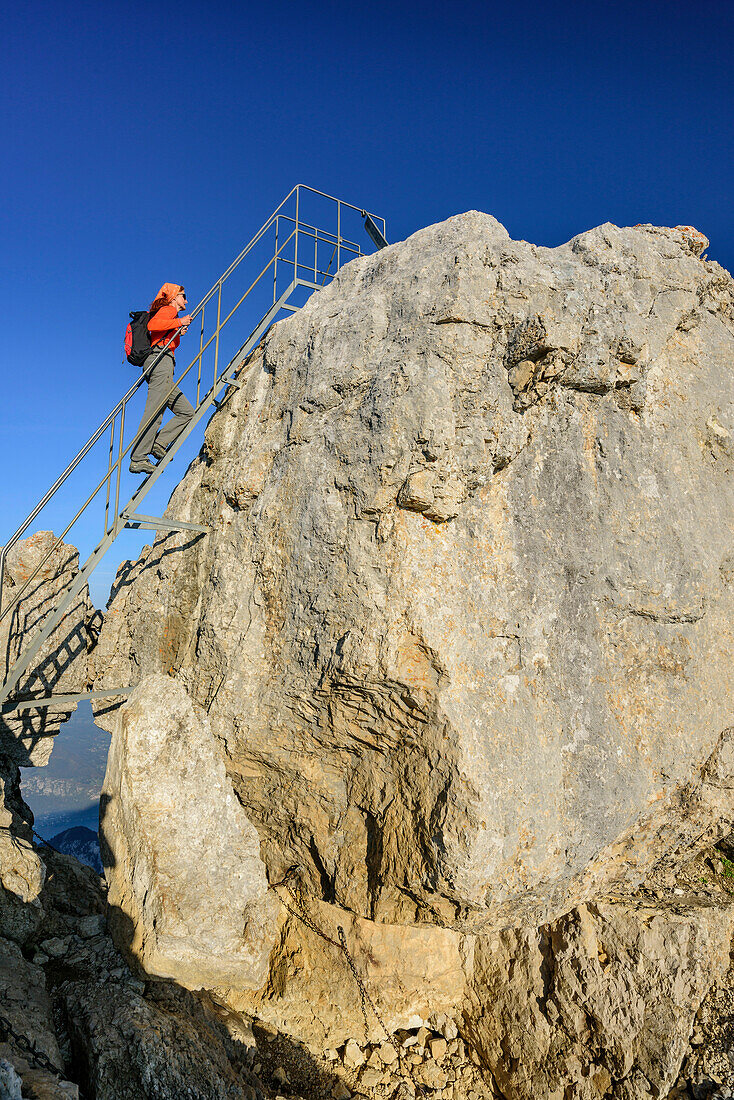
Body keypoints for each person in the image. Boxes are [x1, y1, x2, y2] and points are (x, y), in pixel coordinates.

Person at [129, 283, 195, 474]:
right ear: (174, 297)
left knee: (187, 412)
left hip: (165, 363)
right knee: (154, 411)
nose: (186, 300)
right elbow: (153, 325)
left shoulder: (171, 315)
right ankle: (138, 457)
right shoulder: (168, 310)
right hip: (159, 362)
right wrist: (179, 323)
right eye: (183, 295)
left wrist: (178, 331)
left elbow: (162, 336)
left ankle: (158, 444)